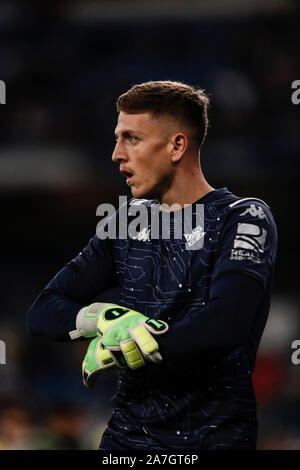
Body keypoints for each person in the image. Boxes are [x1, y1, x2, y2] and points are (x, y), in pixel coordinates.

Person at [27, 80, 277, 450]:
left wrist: (135, 340)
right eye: (117, 138)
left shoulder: (243, 217)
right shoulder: (127, 221)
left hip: (214, 441)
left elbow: (227, 322)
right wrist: (104, 319)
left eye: (132, 138)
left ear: (177, 145)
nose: (116, 154)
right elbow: (43, 311)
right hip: (125, 442)